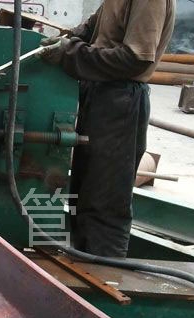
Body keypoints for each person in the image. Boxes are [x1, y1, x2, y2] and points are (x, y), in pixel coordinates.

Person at [40, 0, 176, 257]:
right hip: (100, 94)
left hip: (120, 103)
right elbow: (92, 28)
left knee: (104, 202)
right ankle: (83, 262)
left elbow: (135, 59)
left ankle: (104, 271)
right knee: (83, 195)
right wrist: (64, 40)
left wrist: (71, 53)